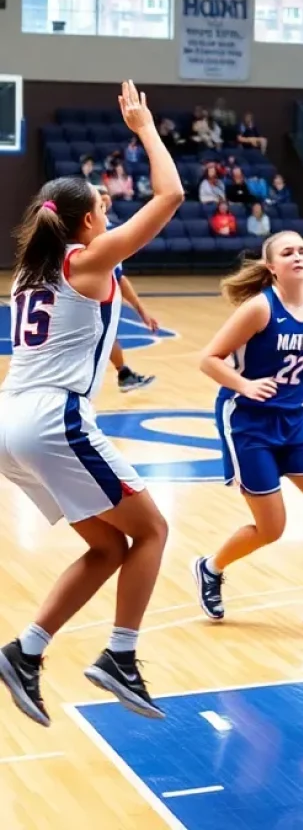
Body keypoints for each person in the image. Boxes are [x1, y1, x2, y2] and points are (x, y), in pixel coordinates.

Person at [0, 81, 182, 727]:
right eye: (103, 206)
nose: (109, 214)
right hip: (54, 419)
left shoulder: (31, 272)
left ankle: (26, 651)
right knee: (155, 531)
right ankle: (120, 657)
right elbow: (171, 196)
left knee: (109, 548)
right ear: (84, 223)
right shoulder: (88, 260)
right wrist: (144, 128)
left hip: (10, 422)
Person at [193, 232, 303, 629]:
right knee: (272, 528)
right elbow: (209, 359)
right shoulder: (259, 309)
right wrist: (245, 385)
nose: (298, 256)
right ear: (271, 266)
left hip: (293, 419)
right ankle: (211, 567)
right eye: (287, 252)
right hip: (247, 422)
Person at [97, 188, 158, 392]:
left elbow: (119, 278)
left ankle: (123, 373)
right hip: (85, 298)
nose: (104, 203)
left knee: (106, 335)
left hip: (95, 299)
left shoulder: (111, 234)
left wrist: (142, 312)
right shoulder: (96, 237)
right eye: (100, 201)